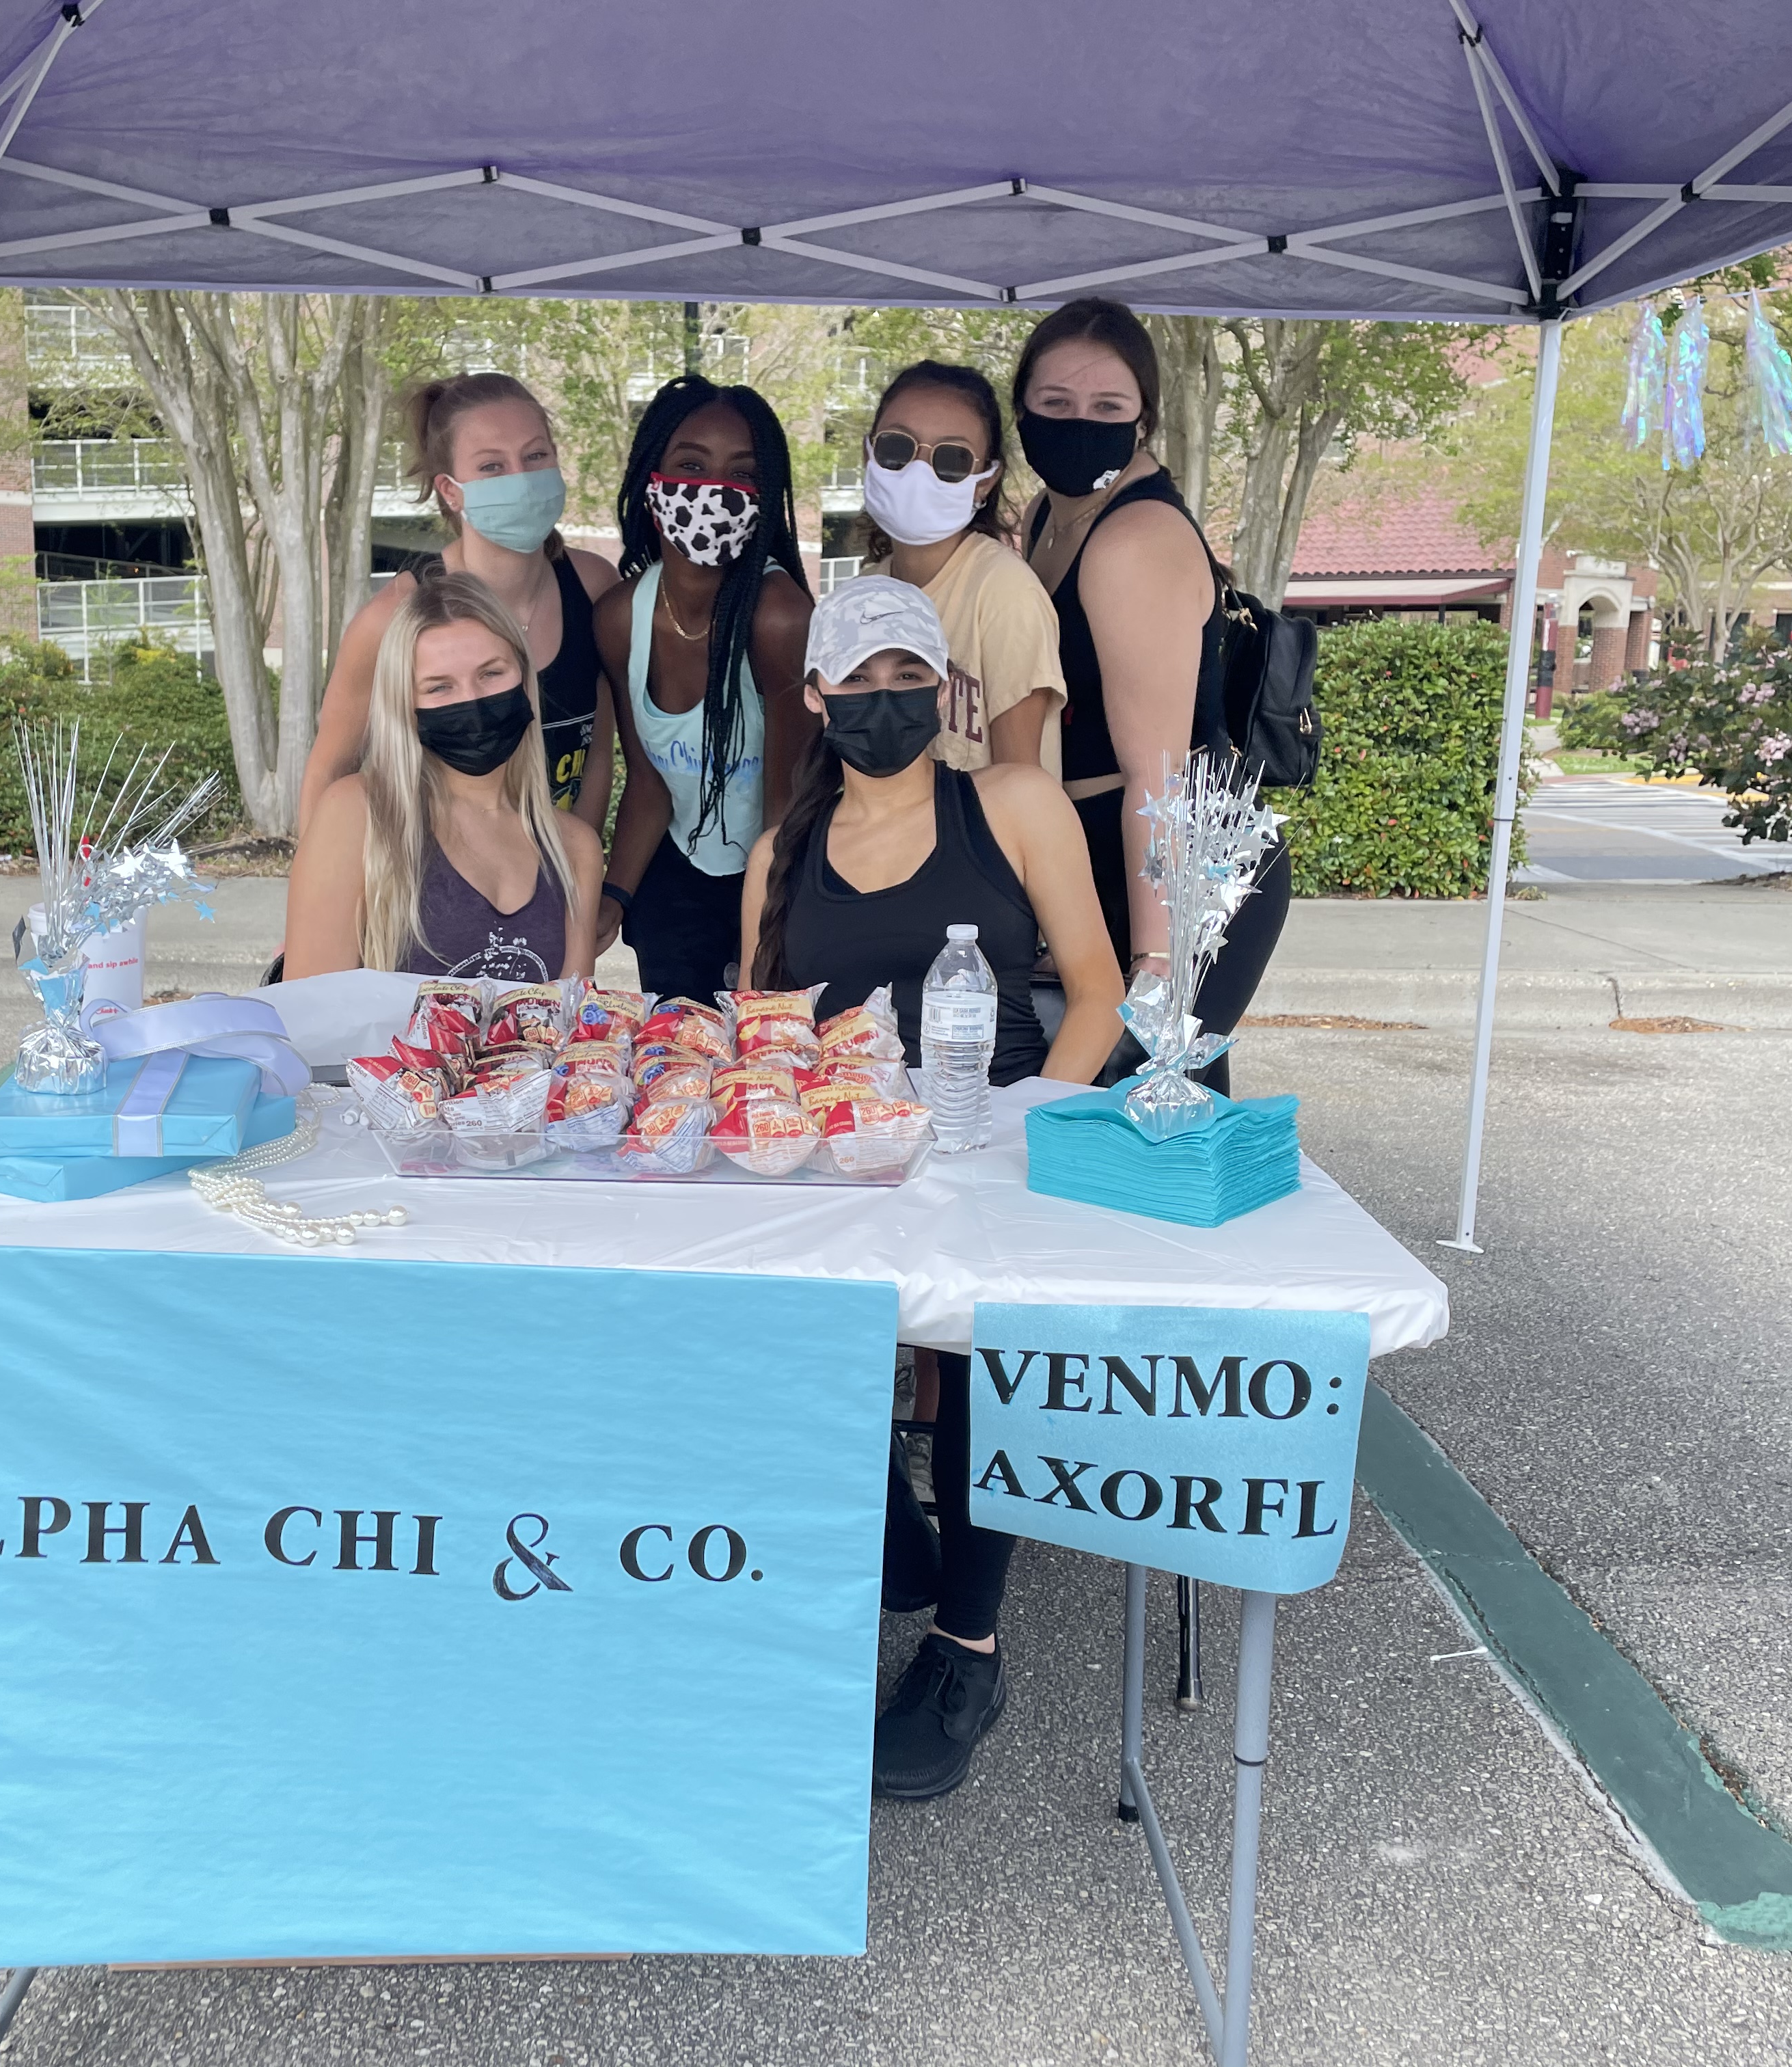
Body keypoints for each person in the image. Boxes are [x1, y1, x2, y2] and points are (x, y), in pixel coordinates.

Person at [736, 576, 1124, 1802]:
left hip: (989, 1139)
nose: (886, 702)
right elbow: (763, 1040)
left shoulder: (1012, 803)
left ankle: (968, 1648)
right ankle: (892, 1527)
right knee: (793, 1333)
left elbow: (1099, 993)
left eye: (910, 678)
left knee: (974, 1348)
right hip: (842, 1157)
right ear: (815, 696)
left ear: (946, 689)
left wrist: (1021, 1128)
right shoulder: (780, 854)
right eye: (859, 681)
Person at [1016, 298, 1290, 1094]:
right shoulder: (1046, 515)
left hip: (1182, 864)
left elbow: (1158, 777)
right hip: (1106, 851)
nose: (1079, 424)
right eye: (1056, 403)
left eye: (1108, 408)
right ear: (1021, 407)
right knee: (1134, 1115)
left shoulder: (1133, 541)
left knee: (1154, 1103)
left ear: (1145, 420)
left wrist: (1157, 964)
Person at [299, 373, 619, 835]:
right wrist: (317, 874)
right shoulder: (395, 617)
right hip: (425, 875)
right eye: (492, 466)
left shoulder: (594, 587)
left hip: (558, 870)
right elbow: (329, 770)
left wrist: (576, 865)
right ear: (450, 490)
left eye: (535, 456)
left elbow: (598, 754)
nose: (521, 479)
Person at [593, 376, 815, 1003]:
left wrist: (764, 939)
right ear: (651, 478)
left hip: (776, 877)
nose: (714, 491)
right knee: (673, 1053)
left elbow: (790, 802)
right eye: (691, 465)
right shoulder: (620, 618)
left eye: (742, 475)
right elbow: (648, 784)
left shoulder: (778, 618)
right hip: (673, 885)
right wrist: (613, 898)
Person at [283, 571, 603, 982]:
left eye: (491, 673)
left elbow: (572, 1017)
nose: (472, 700)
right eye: (439, 688)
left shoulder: (574, 849)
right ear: (405, 703)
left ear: (525, 678)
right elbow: (308, 1007)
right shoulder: (359, 815)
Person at [856, 359, 1064, 774]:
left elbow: (1018, 783)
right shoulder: (862, 595)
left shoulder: (1004, 593)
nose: (918, 471)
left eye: (952, 459)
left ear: (985, 481)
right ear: (869, 454)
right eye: (896, 447)